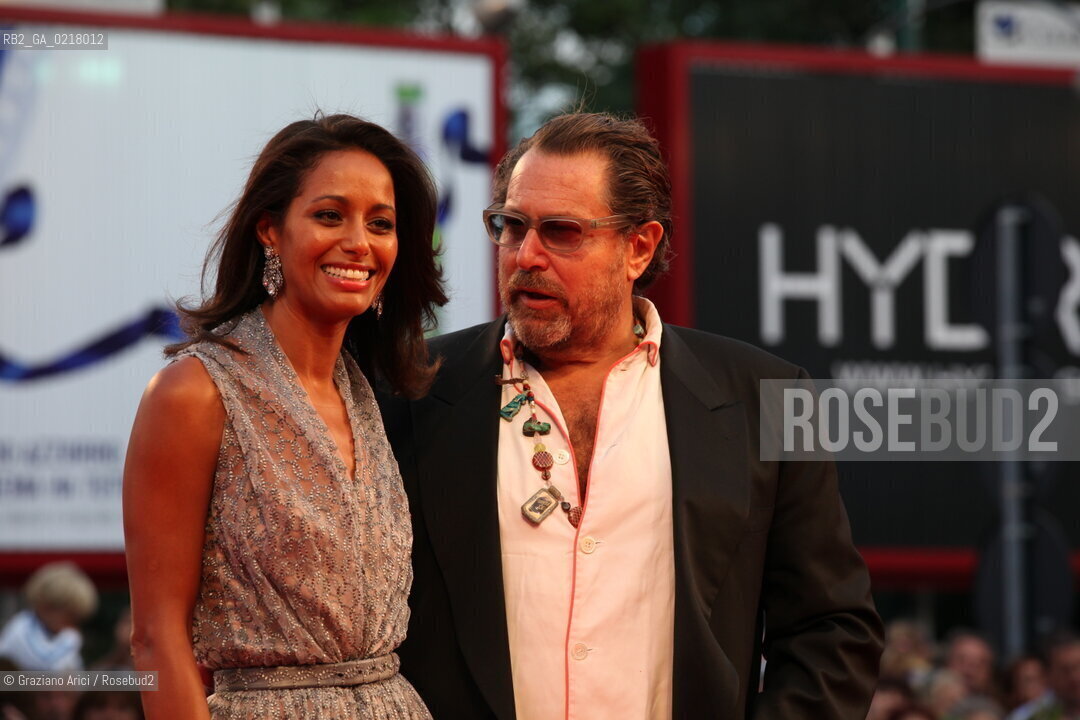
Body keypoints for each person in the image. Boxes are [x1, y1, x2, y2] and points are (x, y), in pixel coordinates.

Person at [379, 112, 883, 719]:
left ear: (638, 247)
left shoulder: (767, 398)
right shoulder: (407, 391)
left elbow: (832, 629)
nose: (526, 256)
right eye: (511, 227)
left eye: (562, 231)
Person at [123, 114, 446, 719]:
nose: (359, 242)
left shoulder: (367, 393)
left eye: (381, 224)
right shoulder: (194, 391)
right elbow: (154, 636)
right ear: (270, 230)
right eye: (330, 215)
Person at [0, 561, 98, 671]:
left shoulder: (56, 637)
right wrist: (69, 640)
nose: (71, 625)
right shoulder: (20, 628)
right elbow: (44, 662)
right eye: (70, 616)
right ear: (47, 606)